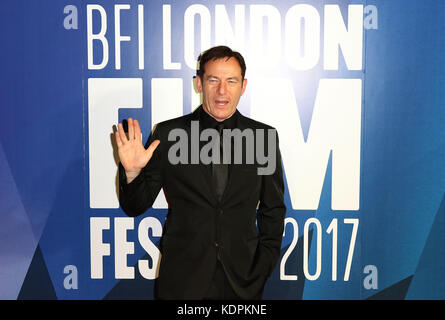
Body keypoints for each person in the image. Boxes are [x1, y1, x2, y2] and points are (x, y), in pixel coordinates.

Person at [115, 46, 286, 300]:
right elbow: (135, 206)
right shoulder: (169, 136)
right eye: (213, 80)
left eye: (231, 81)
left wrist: (263, 266)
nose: (222, 91)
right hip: (181, 283)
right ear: (199, 84)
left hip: (243, 283)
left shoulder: (263, 138)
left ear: (244, 85)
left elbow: (273, 209)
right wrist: (131, 173)